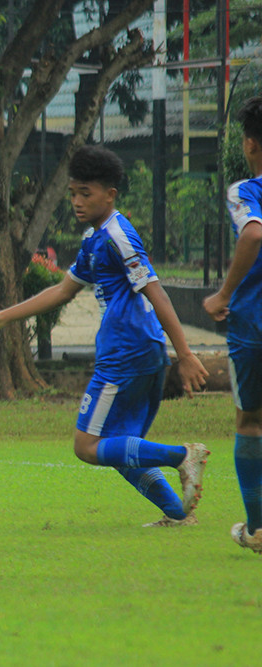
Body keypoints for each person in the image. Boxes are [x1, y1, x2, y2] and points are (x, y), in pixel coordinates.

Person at [0, 144, 210, 527]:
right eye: (73, 193)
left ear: (110, 194)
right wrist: (2, 317)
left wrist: (187, 354)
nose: (77, 202)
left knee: (87, 446)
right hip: (142, 349)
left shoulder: (117, 235)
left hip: (126, 350)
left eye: (86, 193)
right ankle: (178, 515)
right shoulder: (94, 238)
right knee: (119, 448)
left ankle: (182, 456)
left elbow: (156, 292)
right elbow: (63, 290)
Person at [203, 96, 262, 554]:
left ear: (249, 144)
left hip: (253, 322)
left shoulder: (245, 191)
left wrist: (223, 293)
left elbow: (254, 232)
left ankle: (258, 529)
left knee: (250, 419)